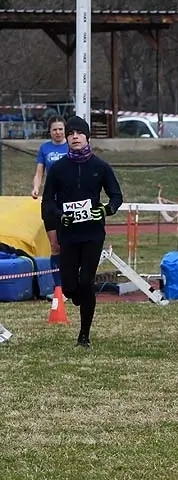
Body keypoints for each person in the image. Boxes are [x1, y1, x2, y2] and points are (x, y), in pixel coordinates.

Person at [41, 116, 123, 348]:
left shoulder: (100, 167)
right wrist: (59, 216)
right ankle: (79, 296)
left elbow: (117, 196)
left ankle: (84, 335)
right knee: (69, 287)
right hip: (68, 234)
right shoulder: (58, 168)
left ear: (87, 137)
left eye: (79, 133)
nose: (74, 137)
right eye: (70, 133)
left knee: (86, 281)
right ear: (66, 138)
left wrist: (105, 210)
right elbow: (48, 201)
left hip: (93, 234)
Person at [34, 115, 69, 288]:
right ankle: (58, 288)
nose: (58, 132)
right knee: (55, 246)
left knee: (69, 245)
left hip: (68, 202)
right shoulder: (44, 148)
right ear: (50, 131)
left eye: (61, 129)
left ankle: (73, 283)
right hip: (50, 203)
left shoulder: (72, 146)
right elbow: (39, 172)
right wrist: (36, 188)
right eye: (55, 129)